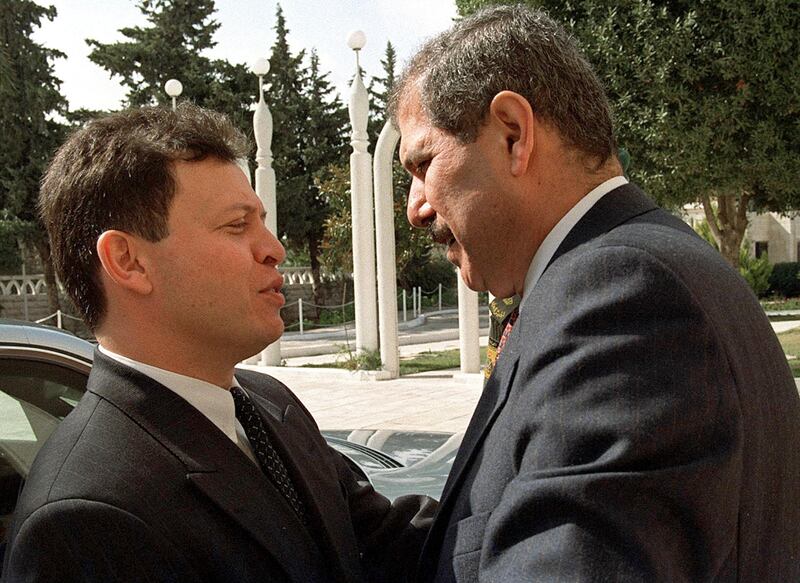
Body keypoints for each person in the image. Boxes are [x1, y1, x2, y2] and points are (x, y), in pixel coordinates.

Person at [390, 5, 800, 582]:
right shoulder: (628, 270)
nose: (415, 207)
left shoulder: (620, 294)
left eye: (423, 164)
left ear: (512, 134)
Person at [3, 104, 435, 583]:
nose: (273, 248)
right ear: (128, 261)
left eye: (262, 222)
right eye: (236, 225)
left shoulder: (269, 402)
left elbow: (388, 546)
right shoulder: (84, 519)